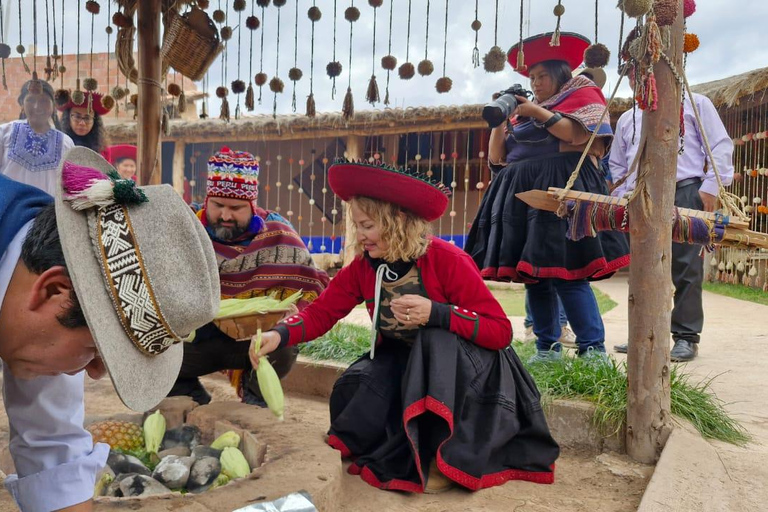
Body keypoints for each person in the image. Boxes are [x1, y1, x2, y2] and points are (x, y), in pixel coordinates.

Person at [254, 159, 559, 493]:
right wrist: (278, 335)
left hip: (470, 373)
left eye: (367, 225)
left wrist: (438, 313)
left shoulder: (448, 260)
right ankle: (407, 445)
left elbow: (500, 332)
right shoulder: (363, 268)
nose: (360, 235)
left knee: (434, 341)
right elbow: (321, 312)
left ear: (397, 221)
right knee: (357, 385)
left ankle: (442, 456)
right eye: (357, 226)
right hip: (410, 362)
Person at [0, 146, 219, 511]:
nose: (96, 373)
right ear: (52, 290)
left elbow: (53, 449)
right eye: (96, 350)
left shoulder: (52, 280)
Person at [464, 32, 630, 363]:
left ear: (559, 75)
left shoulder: (582, 92)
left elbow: (575, 135)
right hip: (520, 193)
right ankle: (546, 349)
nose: (536, 83)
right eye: (531, 77)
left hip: (562, 188)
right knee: (534, 276)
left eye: (542, 76)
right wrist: (501, 119)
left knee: (570, 271)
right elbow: (498, 158)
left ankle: (592, 350)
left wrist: (536, 113)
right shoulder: (522, 112)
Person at [168, 147, 329, 406]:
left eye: (236, 208)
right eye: (218, 205)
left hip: (252, 345)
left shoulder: (278, 235)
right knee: (154, 348)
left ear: (252, 205)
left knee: (284, 345)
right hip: (197, 343)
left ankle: (255, 394)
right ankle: (189, 394)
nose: (225, 215)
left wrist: (282, 322)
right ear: (207, 200)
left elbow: (312, 288)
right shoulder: (186, 228)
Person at [610, 61, 734, 362]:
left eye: (641, 72)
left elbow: (719, 146)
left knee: (685, 266)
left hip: (685, 190)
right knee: (642, 266)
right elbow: (617, 164)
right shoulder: (629, 118)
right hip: (639, 196)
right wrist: (620, 194)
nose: (636, 79)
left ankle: (686, 336)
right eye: (630, 74)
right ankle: (643, 331)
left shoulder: (695, 103)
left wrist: (710, 188)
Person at [0, 79, 74, 194]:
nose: (36, 106)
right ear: (21, 104)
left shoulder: (65, 142)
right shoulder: (4, 132)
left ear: (54, 106)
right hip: (9, 209)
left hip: (47, 210)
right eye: (30, 100)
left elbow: (68, 187)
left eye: (44, 101)